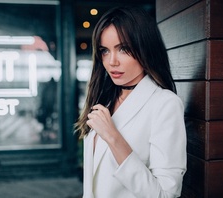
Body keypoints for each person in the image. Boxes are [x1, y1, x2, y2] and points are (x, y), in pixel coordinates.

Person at [75, 6, 187, 198]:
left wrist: (114, 137)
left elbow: (166, 194)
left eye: (124, 49)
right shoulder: (105, 97)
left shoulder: (165, 104)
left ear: (145, 48)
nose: (112, 62)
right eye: (105, 51)